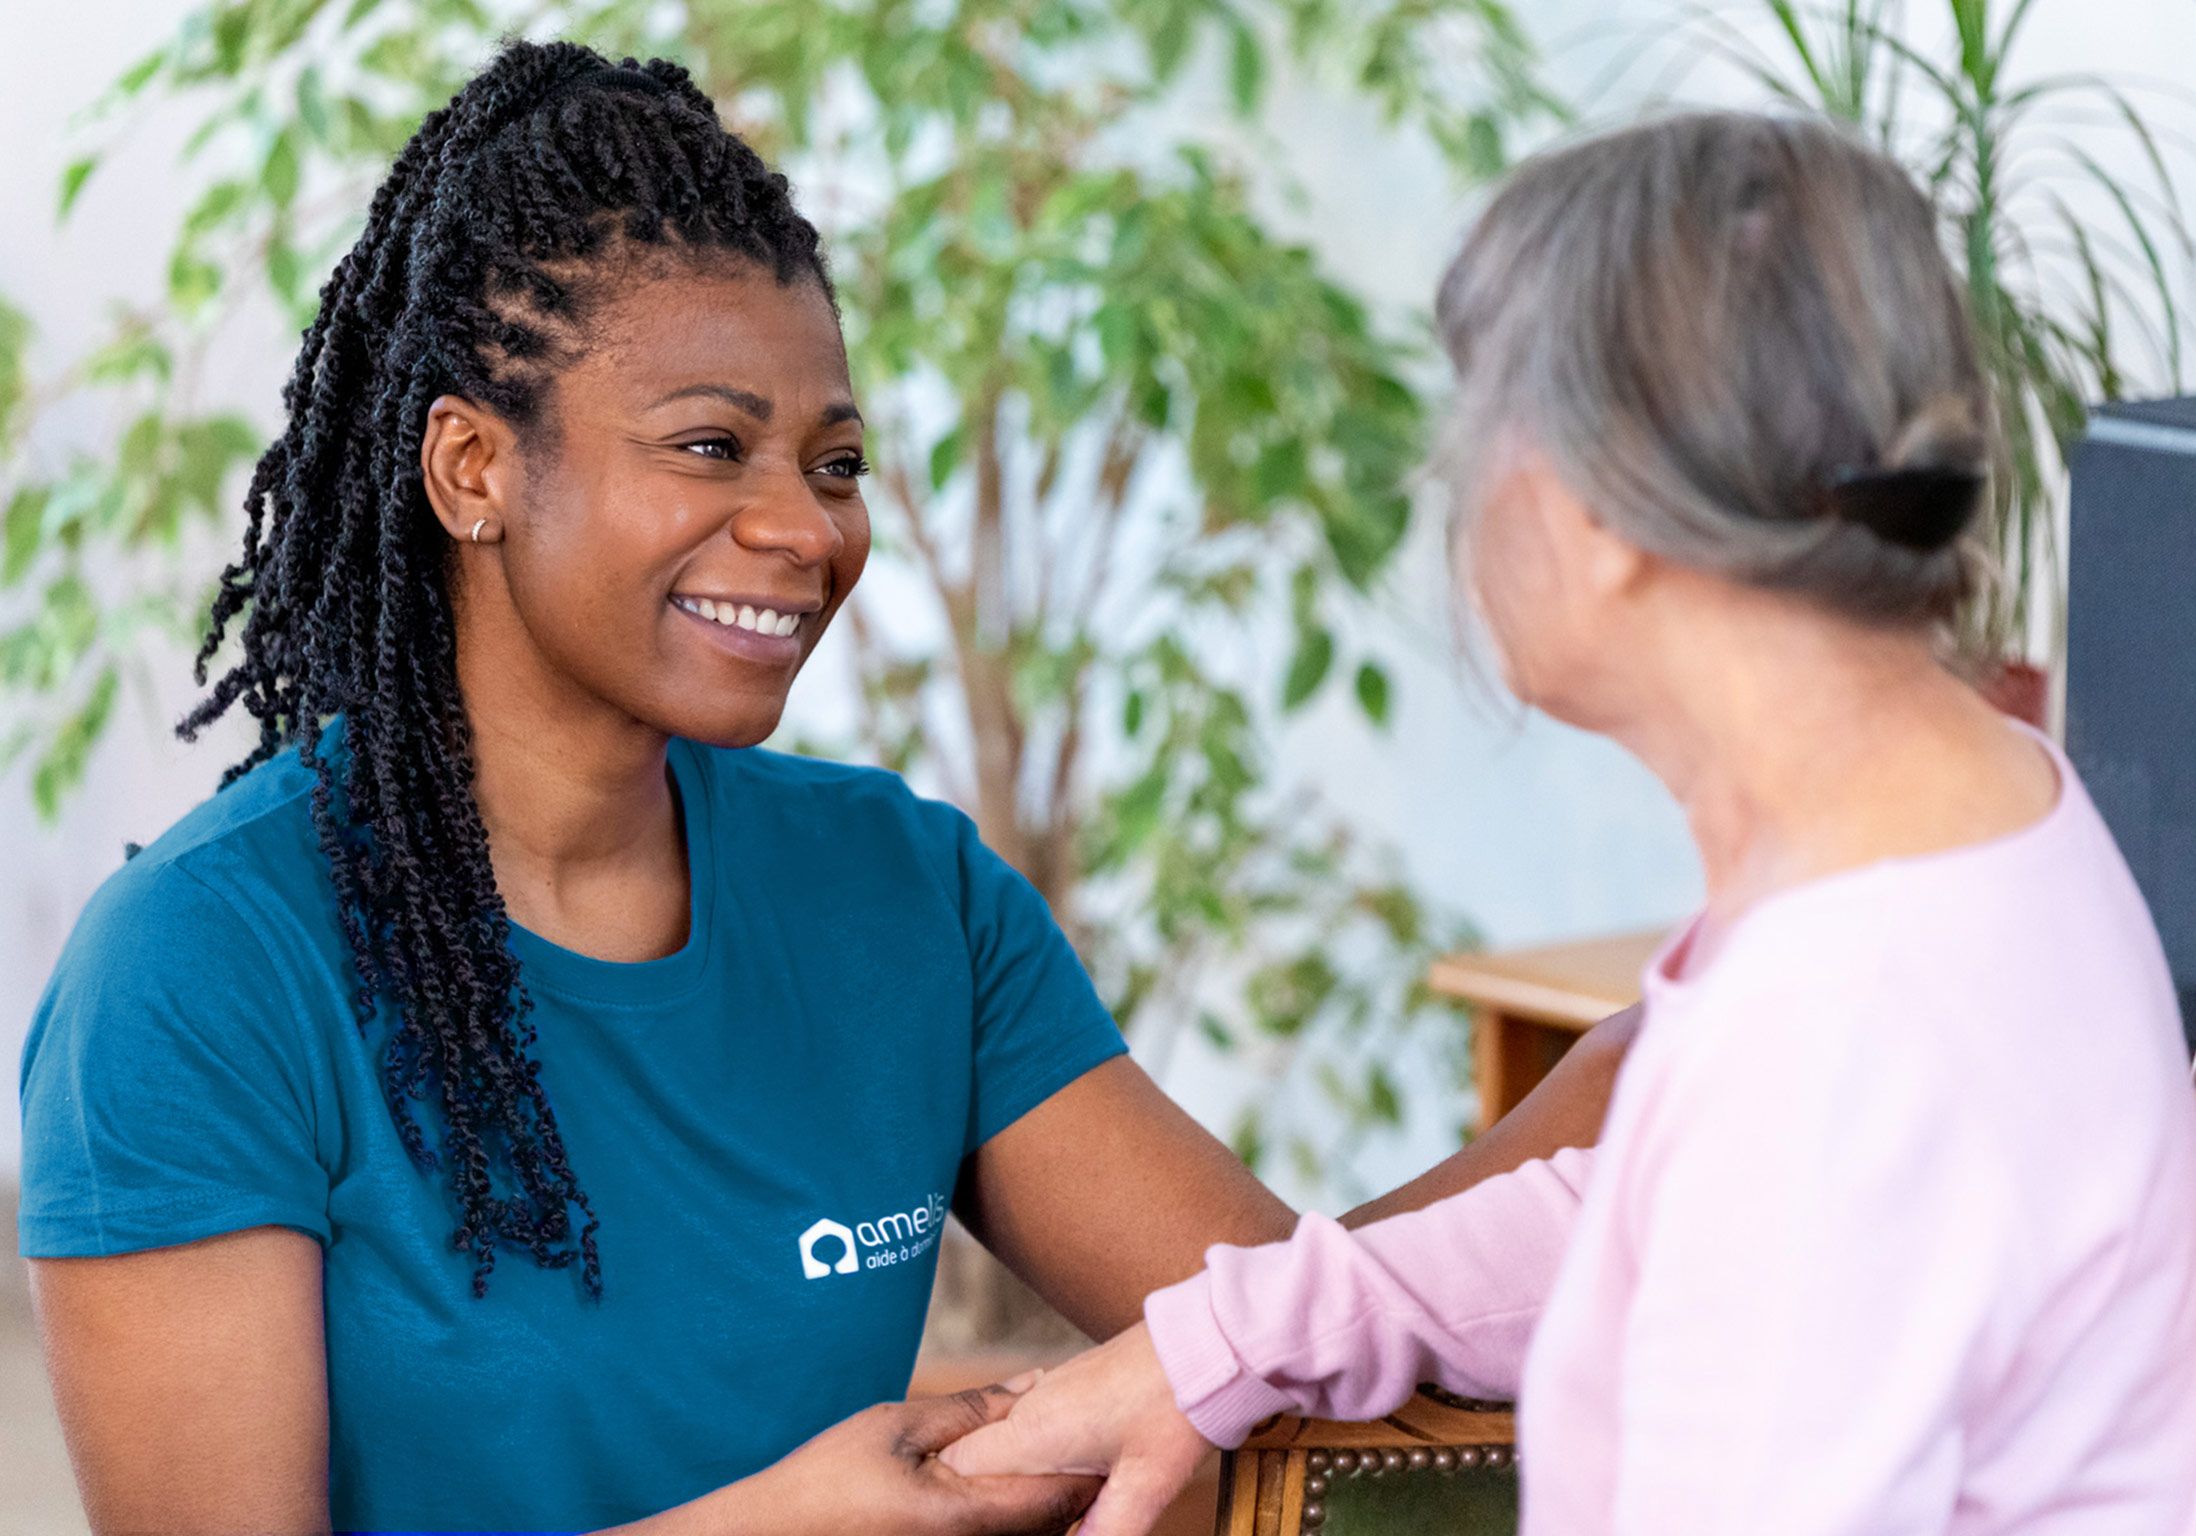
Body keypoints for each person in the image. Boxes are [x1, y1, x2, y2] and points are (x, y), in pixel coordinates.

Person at [15, 39, 1630, 1536]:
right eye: (714, 447)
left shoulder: (902, 892)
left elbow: (1291, 1326)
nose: (808, 529)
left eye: (836, 461)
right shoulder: (202, 973)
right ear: (472, 469)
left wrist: (1657, 1062)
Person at [942, 111, 2196, 1534]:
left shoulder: (1842, 1021)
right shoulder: (1967, 809)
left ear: (1590, 506)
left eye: (1474, 430)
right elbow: (1674, 1214)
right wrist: (1221, 1340)